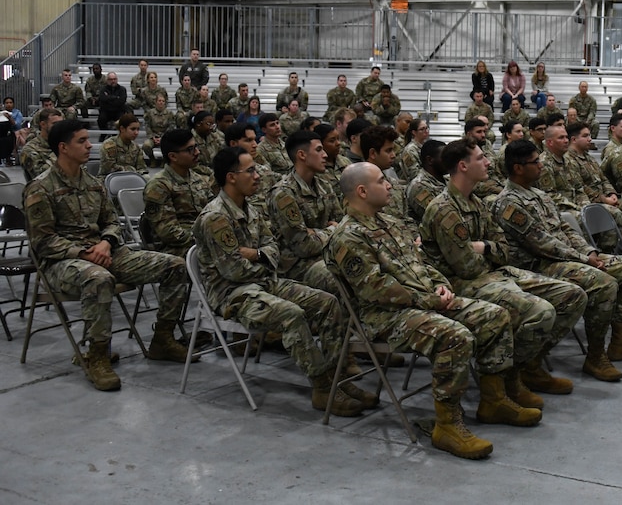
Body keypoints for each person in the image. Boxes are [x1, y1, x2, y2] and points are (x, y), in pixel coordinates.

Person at [326, 162, 536, 460]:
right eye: (381, 181)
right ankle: (447, 426)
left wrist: (439, 285)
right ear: (362, 191)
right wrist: (430, 301)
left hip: (424, 301)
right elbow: (376, 289)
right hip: (384, 317)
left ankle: (493, 400)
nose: (389, 185)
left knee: (494, 316)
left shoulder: (391, 222)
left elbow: (423, 263)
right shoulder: (347, 237)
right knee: (454, 336)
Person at [192, 146, 373, 416]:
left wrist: (257, 255)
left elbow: (273, 247)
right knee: (291, 314)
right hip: (234, 295)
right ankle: (322, 387)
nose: (257, 175)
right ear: (231, 177)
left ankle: (338, 380)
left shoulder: (251, 208)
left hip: (266, 281)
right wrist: (265, 259)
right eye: (250, 170)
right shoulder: (216, 217)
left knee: (328, 303)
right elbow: (233, 271)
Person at [25, 119, 190, 391]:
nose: (90, 145)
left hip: (106, 252)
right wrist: (83, 252)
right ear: (63, 148)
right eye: (82, 141)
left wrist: (105, 242)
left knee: (174, 265)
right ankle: (97, 356)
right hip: (62, 263)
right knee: (99, 278)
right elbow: (43, 241)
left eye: (88, 139)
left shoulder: (93, 183)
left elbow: (112, 222)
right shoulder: (40, 188)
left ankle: (163, 337)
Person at [421, 137, 585, 400]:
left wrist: (484, 246)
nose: (488, 162)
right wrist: (491, 251)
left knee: (572, 295)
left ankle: (528, 366)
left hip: (495, 274)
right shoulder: (445, 209)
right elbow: (467, 268)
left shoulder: (477, 203)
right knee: (541, 311)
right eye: (480, 158)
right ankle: (508, 379)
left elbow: (503, 248)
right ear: (463, 166)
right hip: (462, 284)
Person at [493, 140, 622, 383]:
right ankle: (586, 358)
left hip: (566, 257)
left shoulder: (540, 194)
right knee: (603, 283)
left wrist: (589, 250)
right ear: (518, 168)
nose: (541, 165)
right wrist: (583, 258)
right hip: (537, 264)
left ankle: (619, 342)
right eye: (535, 162)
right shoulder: (508, 202)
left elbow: (565, 228)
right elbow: (541, 243)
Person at [268, 130, 342, 296]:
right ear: (302, 155)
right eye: (318, 150)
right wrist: (332, 230)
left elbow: (343, 225)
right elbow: (303, 246)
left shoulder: (324, 185)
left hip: (327, 254)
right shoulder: (283, 194)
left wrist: (316, 233)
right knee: (342, 278)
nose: (324, 155)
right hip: (298, 266)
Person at [566, 121, 622, 255]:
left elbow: (603, 178)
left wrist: (611, 193)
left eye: (589, 135)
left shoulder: (588, 157)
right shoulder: (569, 160)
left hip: (605, 197)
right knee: (616, 213)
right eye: (586, 136)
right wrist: (604, 199)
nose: (590, 139)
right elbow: (581, 187)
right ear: (574, 139)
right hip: (589, 201)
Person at [143, 129, 214, 257]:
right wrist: (206, 239)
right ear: (173, 156)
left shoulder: (198, 179)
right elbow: (168, 232)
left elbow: (214, 212)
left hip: (203, 239)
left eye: (196, 147)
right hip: (174, 248)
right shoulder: (159, 185)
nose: (197, 153)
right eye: (190, 150)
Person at [405, 139, 447, 223]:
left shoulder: (446, 179)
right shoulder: (418, 187)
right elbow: (438, 218)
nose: (449, 161)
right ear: (430, 160)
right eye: (444, 157)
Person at [21, 108, 62, 180]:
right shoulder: (30, 149)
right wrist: (59, 152)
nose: (59, 127)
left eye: (61, 124)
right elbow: (41, 176)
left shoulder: (65, 144)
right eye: (55, 124)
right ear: (43, 124)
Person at [0, 96, 25, 165]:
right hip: (2, 132)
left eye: (10, 103)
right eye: (7, 103)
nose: (8, 104)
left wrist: (10, 118)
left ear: (13, 104)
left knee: (9, 138)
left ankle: (9, 158)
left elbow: (17, 126)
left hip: (14, 132)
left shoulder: (17, 113)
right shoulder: (1, 113)